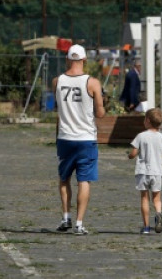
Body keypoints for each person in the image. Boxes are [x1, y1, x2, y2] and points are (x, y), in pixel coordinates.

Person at [52, 44, 105, 235]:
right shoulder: (92, 82)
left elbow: (58, 107)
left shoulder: (57, 81)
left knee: (64, 178)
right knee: (84, 180)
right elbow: (99, 113)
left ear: (68, 59)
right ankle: (79, 223)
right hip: (86, 137)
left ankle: (65, 216)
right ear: (84, 60)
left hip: (65, 136)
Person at [127, 107, 162, 234]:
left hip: (143, 171)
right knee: (157, 198)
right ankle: (158, 213)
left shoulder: (141, 136)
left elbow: (133, 153)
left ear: (148, 121)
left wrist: (129, 156)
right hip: (157, 171)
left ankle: (146, 227)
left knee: (144, 198)